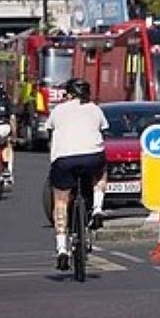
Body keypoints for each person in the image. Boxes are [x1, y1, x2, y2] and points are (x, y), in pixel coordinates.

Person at [45, 78, 108, 270]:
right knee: (101, 172)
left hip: (64, 159)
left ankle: (61, 248)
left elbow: (50, 132)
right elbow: (104, 130)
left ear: (70, 94)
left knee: (61, 201)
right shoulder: (95, 109)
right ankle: (97, 208)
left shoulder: (58, 110)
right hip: (92, 157)